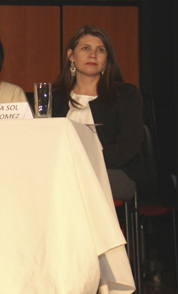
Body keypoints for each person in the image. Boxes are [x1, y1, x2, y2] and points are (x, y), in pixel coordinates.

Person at [52, 25, 144, 201]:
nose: (93, 54)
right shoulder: (55, 98)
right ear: (71, 55)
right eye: (85, 48)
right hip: (63, 172)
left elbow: (127, 146)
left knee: (70, 184)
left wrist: (85, 162)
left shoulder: (125, 95)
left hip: (112, 172)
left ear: (106, 59)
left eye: (100, 50)